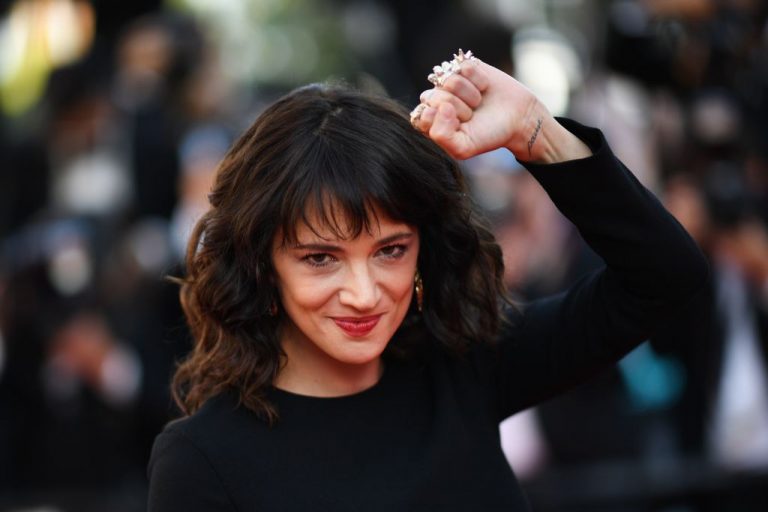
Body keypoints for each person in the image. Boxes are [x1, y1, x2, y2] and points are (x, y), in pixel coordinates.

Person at [147, 50, 708, 511]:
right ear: (261, 265)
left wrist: (533, 129)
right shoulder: (203, 460)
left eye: (390, 251)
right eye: (321, 258)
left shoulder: (465, 366)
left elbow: (666, 274)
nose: (364, 293)